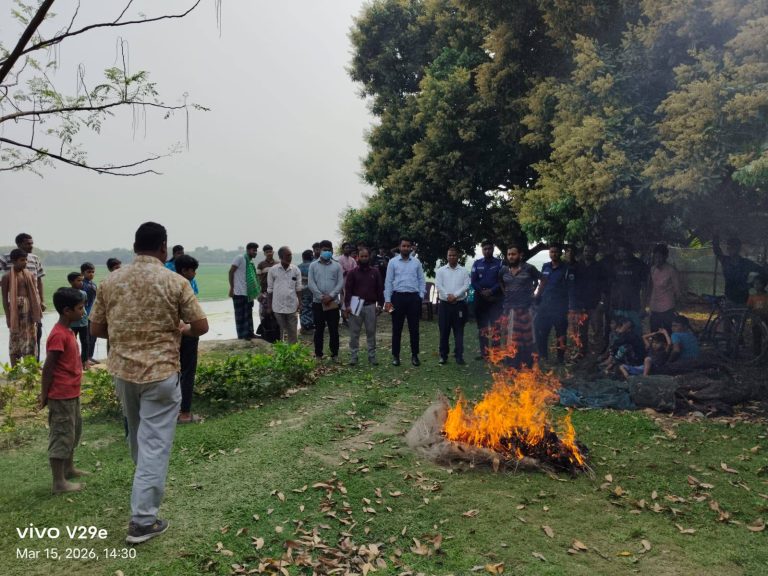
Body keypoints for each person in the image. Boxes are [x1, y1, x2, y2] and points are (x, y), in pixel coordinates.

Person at [90, 222, 208, 545]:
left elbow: (96, 329)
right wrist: (179, 329)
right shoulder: (175, 282)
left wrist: (126, 331)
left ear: (134, 246)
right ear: (163, 248)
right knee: (154, 444)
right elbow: (200, 325)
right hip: (161, 372)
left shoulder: (110, 281)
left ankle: (143, 494)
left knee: (139, 438)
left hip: (124, 372)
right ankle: (142, 521)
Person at [39, 287, 90, 494]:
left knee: (73, 432)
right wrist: (44, 395)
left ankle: (69, 468)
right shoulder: (58, 335)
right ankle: (58, 482)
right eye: (80, 308)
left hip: (72, 393)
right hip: (61, 395)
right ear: (67, 311)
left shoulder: (68, 331)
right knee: (61, 435)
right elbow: (48, 368)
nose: (84, 312)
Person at [1, 233, 46, 359]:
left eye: (32, 243)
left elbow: (40, 281)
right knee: (16, 334)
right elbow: (4, 296)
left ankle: (34, 364)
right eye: (28, 244)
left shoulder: (35, 259)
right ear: (19, 244)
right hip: (16, 304)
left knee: (35, 333)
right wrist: (6, 283)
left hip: (33, 302)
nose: (31, 246)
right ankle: (16, 366)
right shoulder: (6, 258)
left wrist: (41, 301)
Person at [384, 237, 426, 366]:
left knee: (414, 329)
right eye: (404, 246)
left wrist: (420, 296)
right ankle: (396, 356)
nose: (406, 248)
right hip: (397, 298)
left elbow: (421, 280)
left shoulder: (416, 262)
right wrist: (388, 300)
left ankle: (415, 356)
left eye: (408, 246)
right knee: (397, 329)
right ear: (399, 247)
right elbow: (389, 282)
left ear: (411, 248)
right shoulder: (393, 262)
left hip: (413, 298)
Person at [498, 244, 540, 368]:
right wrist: (506, 293)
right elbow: (500, 280)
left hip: (526, 309)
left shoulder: (529, 268)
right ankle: (513, 365)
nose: (511, 257)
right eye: (509, 254)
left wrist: (536, 295)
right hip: (510, 309)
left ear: (520, 255)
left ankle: (529, 364)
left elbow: (542, 279)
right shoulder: (504, 270)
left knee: (528, 338)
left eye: (513, 254)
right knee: (512, 339)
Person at [344, 246, 385, 365]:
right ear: (358, 257)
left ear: (369, 257)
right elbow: (348, 290)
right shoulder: (352, 273)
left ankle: (372, 357)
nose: (364, 258)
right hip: (355, 305)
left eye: (366, 256)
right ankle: (354, 357)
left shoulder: (375, 272)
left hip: (370, 305)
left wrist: (380, 305)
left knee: (371, 332)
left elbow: (379, 289)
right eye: (361, 256)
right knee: (354, 333)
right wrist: (347, 305)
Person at [175, 254, 203, 424]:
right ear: (185, 270)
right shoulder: (183, 285)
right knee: (187, 372)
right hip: (186, 332)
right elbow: (196, 319)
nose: (194, 274)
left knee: (173, 373)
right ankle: (185, 412)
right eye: (193, 270)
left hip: (170, 335)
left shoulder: (167, 283)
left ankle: (172, 410)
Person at [567, 243, 605, 358]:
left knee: (597, 331)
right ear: (583, 252)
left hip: (595, 305)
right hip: (580, 306)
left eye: (590, 251)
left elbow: (604, 287)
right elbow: (573, 287)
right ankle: (581, 352)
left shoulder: (600, 267)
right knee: (580, 332)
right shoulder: (577, 267)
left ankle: (597, 354)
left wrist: (601, 303)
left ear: (595, 253)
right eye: (586, 250)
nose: (588, 253)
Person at [308, 240, 344, 361]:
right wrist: (321, 296)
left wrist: (331, 295)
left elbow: (340, 283)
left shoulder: (337, 265)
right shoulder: (313, 265)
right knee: (319, 329)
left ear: (332, 250)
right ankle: (318, 354)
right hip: (318, 303)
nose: (327, 252)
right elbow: (311, 283)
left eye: (329, 250)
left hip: (333, 303)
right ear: (320, 250)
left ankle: (335, 354)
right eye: (324, 249)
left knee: (334, 330)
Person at [535, 244, 570, 364]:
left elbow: (570, 287)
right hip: (545, 306)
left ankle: (560, 358)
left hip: (560, 306)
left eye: (556, 252)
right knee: (542, 332)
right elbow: (542, 284)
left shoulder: (566, 268)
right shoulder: (545, 266)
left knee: (560, 334)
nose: (553, 254)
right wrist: (537, 297)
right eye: (551, 252)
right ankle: (543, 357)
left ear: (560, 253)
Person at [435, 246, 470, 365]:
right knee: (444, 331)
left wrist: (455, 295)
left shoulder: (464, 271)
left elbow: (466, 285)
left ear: (458, 257)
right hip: (444, 305)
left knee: (459, 331)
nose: (452, 257)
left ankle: (459, 355)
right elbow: (439, 285)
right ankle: (443, 355)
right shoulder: (441, 271)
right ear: (447, 256)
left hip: (459, 304)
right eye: (450, 255)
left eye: (454, 255)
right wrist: (447, 296)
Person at [607, 241, 648, 337]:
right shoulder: (615, 266)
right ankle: (618, 351)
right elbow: (613, 287)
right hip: (618, 306)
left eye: (624, 251)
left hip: (634, 306)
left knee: (636, 332)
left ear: (630, 251)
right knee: (618, 332)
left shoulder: (639, 266)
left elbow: (644, 287)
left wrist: (643, 307)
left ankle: (637, 351)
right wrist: (611, 305)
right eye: (620, 252)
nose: (622, 254)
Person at [471, 240, 504, 360]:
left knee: (496, 328)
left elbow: (501, 281)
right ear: (482, 250)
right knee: (482, 328)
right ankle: (484, 353)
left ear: (493, 249)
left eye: (489, 248)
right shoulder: (477, 263)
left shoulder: (500, 263)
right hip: (480, 299)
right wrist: (482, 291)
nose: (487, 251)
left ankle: (496, 354)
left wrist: (491, 291)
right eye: (485, 249)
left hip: (495, 300)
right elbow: (473, 281)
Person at [713, 235, 764, 307]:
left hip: (742, 298)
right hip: (729, 297)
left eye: (733, 247)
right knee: (727, 316)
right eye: (729, 247)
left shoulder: (746, 263)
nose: (730, 249)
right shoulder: (725, 261)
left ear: (738, 248)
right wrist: (715, 235)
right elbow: (717, 251)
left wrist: (753, 284)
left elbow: (763, 271)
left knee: (740, 316)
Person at [267, 246, 303, 344]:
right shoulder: (273, 270)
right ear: (281, 257)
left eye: (290, 255)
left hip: (292, 306)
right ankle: (280, 354)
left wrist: (300, 303)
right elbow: (269, 290)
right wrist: (269, 307)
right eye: (287, 255)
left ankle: (293, 353)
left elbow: (299, 288)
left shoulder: (295, 270)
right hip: (277, 307)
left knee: (293, 333)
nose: (290, 257)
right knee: (279, 333)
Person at [647, 243, 681, 333]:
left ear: (665, 257)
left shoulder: (671, 270)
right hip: (654, 306)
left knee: (668, 332)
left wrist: (676, 306)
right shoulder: (653, 269)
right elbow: (651, 287)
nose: (657, 260)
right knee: (654, 332)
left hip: (667, 306)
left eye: (659, 257)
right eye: (655, 257)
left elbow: (677, 290)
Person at [228, 242, 259, 340]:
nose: (255, 253)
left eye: (256, 250)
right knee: (240, 316)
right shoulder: (240, 258)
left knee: (249, 314)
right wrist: (232, 288)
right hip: (238, 292)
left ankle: (250, 333)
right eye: (254, 250)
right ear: (248, 250)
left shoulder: (250, 262)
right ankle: (242, 336)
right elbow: (231, 272)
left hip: (248, 293)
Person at [67, 272, 90, 370]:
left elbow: (85, 305)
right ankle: (72, 362)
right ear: (71, 282)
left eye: (82, 280)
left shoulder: (83, 293)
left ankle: (84, 361)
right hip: (72, 322)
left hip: (83, 321)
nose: (81, 283)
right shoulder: (67, 294)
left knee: (85, 342)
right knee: (72, 343)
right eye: (78, 280)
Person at [257, 245, 281, 342]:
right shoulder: (261, 265)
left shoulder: (278, 264)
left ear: (273, 252)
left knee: (277, 313)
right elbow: (257, 279)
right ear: (264, 253)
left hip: (276, 293)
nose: (269, 253)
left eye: (270, 251)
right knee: (264, 313)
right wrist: (258, 293)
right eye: (267, 252)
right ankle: (265, 334)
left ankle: (277, 335)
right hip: (264, 292)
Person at [81, 262, 98, 363]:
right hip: (85, 314)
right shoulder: (82, 284)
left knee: (93, 337)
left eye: (93, 272)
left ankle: (90, 356)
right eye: (88, 272)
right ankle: (85, 357)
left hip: (93, 313)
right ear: (83, 273)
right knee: (86, 338)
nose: (91, 274)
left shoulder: (93, 284)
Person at [297, 249, 315, 333]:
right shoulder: (313, 266)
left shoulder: (298, 267)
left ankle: (303, 327)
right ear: (311, 256)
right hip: (311, 291)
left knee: (303, 309)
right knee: (310, 309)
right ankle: (308, 327)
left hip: (301, 292)